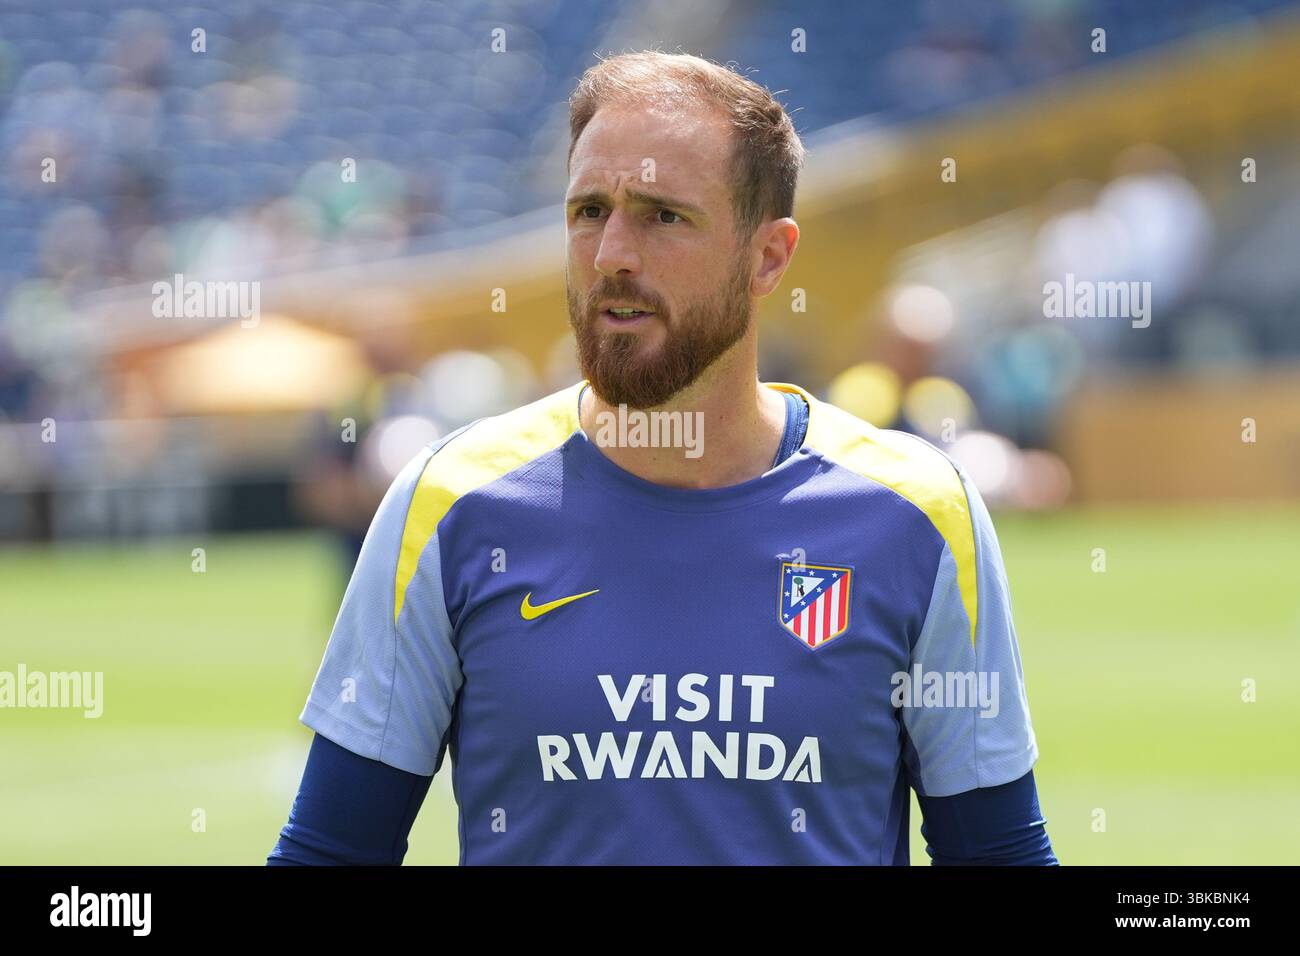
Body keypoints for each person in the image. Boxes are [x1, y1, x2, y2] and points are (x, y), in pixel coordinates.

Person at [268, 51, 1056, 865]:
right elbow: (332, 852)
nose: (611, 253)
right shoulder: (450, 503)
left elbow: (998, 854)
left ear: (769, 256)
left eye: (662, 216)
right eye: (588, 211)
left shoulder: (919, 515)